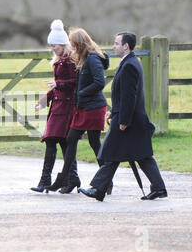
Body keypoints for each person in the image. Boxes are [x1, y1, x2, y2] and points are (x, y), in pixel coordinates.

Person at [79, 32, 168, 201]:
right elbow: (124, 95)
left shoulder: (129, 65)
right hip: (127, 117)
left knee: (112, 153)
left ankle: (98, 189)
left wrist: (124, 120)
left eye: (116, 43)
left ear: (125, 46)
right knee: (140, 155)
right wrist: (114, 111)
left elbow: (130, 96)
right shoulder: (129, 62)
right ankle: (159, 188)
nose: (114, 46)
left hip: (129, 121)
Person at [45, 28, 110, 194]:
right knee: (72, 139)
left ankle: (105, 178)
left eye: (73, 45)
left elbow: (99, 82)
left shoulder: (93, 59)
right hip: (84, 107)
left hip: (94, 107)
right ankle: (65, 177)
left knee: (93, 143)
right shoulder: (84, 58)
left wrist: (81, 93)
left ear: (80, 44)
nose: (71, 48)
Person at [31, 19, 78, 193]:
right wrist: (44, 100)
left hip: (66, 107)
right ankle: (71, 178)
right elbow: (57, 85)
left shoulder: (69, 60)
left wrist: (58, 85)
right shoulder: (59, 61)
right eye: (51, 46)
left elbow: (74, 82)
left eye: (55, 46)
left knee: (55, 141)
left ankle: (49, 181)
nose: (53, 49)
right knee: (60, 142)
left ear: (63, 44)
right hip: (58, 106)